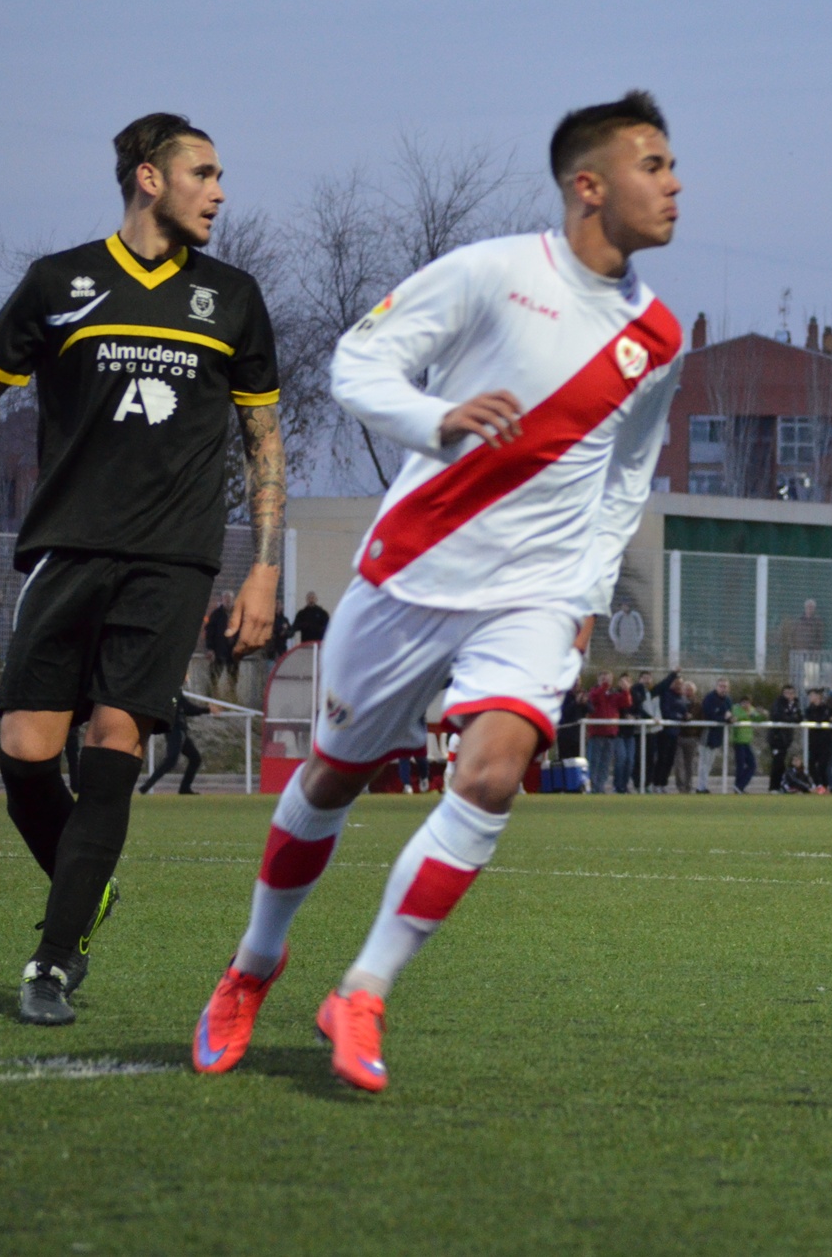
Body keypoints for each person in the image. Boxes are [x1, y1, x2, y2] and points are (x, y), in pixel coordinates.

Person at [191, 91, 683, 1091]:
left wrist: (584, 589)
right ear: (589, 185)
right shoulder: (495, 274)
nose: (675, 183)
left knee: (494, 775)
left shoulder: (659, 339)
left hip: (536, 596)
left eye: (674, 165)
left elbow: (628, 475)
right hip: (413, 571)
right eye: (654, 164)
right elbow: (356, 365)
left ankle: (363, 988)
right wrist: (438, 417)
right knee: (332, 779)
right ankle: (253, 966)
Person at [0, 112, 284, 1025]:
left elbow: (262, 439)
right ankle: (85, 893)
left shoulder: (232, 298)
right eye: (203, 173)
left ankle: (53, 958)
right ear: (147, 178)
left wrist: (263, 571)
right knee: (23, 754)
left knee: (117, 739)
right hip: (65, 550)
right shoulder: (59, 283)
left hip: (172, 559)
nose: (220, 190)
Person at [141, 692, 209, 794]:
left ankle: (184, 788)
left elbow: (185, 708)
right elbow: (186, 707)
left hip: (179, 731)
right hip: (175, 731)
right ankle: (146, 786)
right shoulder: (173, 695)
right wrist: (207, 709)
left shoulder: (175, 694)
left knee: (195, 758)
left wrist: (206, 710)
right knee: (171, 760)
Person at [584, 672, 626, 794]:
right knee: (594, 761)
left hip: (610, 734)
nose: (605, 681)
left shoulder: (613, 694)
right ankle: (592, 787)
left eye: (608, 679)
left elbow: (626, 703)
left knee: (605, 763)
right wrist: (604, 685)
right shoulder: (594, 691)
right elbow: (596, 697)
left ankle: (600, 787)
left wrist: (626, 690)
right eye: (603, 679)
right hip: (597, 734)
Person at [697, 677, 732, 790]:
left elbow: (728, 714)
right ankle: (701, 787)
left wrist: (730, 719)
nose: (723, 689)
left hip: (718, 735)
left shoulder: (728, 700)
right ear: (716, 687)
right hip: (707, 734)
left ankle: (704, 786)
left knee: (710, 762)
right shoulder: (710, 698)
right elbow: (709, 715)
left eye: (725, 686)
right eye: (721, 686)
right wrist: (724, 718)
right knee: (704, 762)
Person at [768, 684, 801, 792]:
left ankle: (781, 786)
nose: (789, 695)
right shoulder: (778, 703)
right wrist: (792, 718)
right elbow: (778, 716)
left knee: (782, 763)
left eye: (791, 693)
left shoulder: (795, 703)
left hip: (786, 739)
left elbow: (800, 717)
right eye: (786, 693)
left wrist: (793, 718)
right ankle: (773, 787)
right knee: (777, 762)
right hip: (777, 738)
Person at [205, 591, 238, 685]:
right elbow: (209, 632)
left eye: (230, 599)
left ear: (233, 600)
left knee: (233, 679)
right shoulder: (216, 614)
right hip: (219, 650)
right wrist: (210, 648)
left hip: (233, 651)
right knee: (214, 677)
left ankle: (230, 697)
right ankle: (211, 696)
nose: (228, 601)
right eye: (226, 599)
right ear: (222, 600)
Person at [730, 696, 762, 793]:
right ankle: (738, 787)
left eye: (748, 703)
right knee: (740, 765)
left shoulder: (751, 710)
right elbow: (736, 718)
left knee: (752, 765)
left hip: (747, 741)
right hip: (738, 741)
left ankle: (739, 785)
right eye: (744, 703)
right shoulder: (736, 709)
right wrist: (747, 715)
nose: (746, 705)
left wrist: (761, 714)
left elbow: (759, 719)